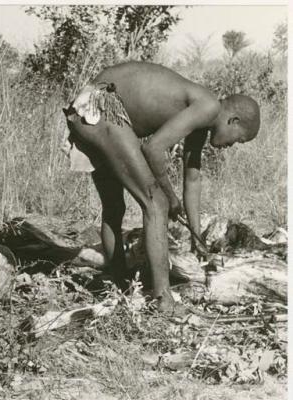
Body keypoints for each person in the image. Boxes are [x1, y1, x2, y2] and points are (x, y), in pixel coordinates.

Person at [62, 61, 260, 313]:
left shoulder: (203, 116)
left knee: (114, 207)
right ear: (233, 120)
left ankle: (119, 288)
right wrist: (170, 197)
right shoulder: (208, 107)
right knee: (156, 203)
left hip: (87, 106)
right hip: (104, 107)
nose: (232, 146)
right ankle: (163, 301)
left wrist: (196, 237)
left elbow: (193, 178)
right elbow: (153, 149)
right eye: (239, 140)